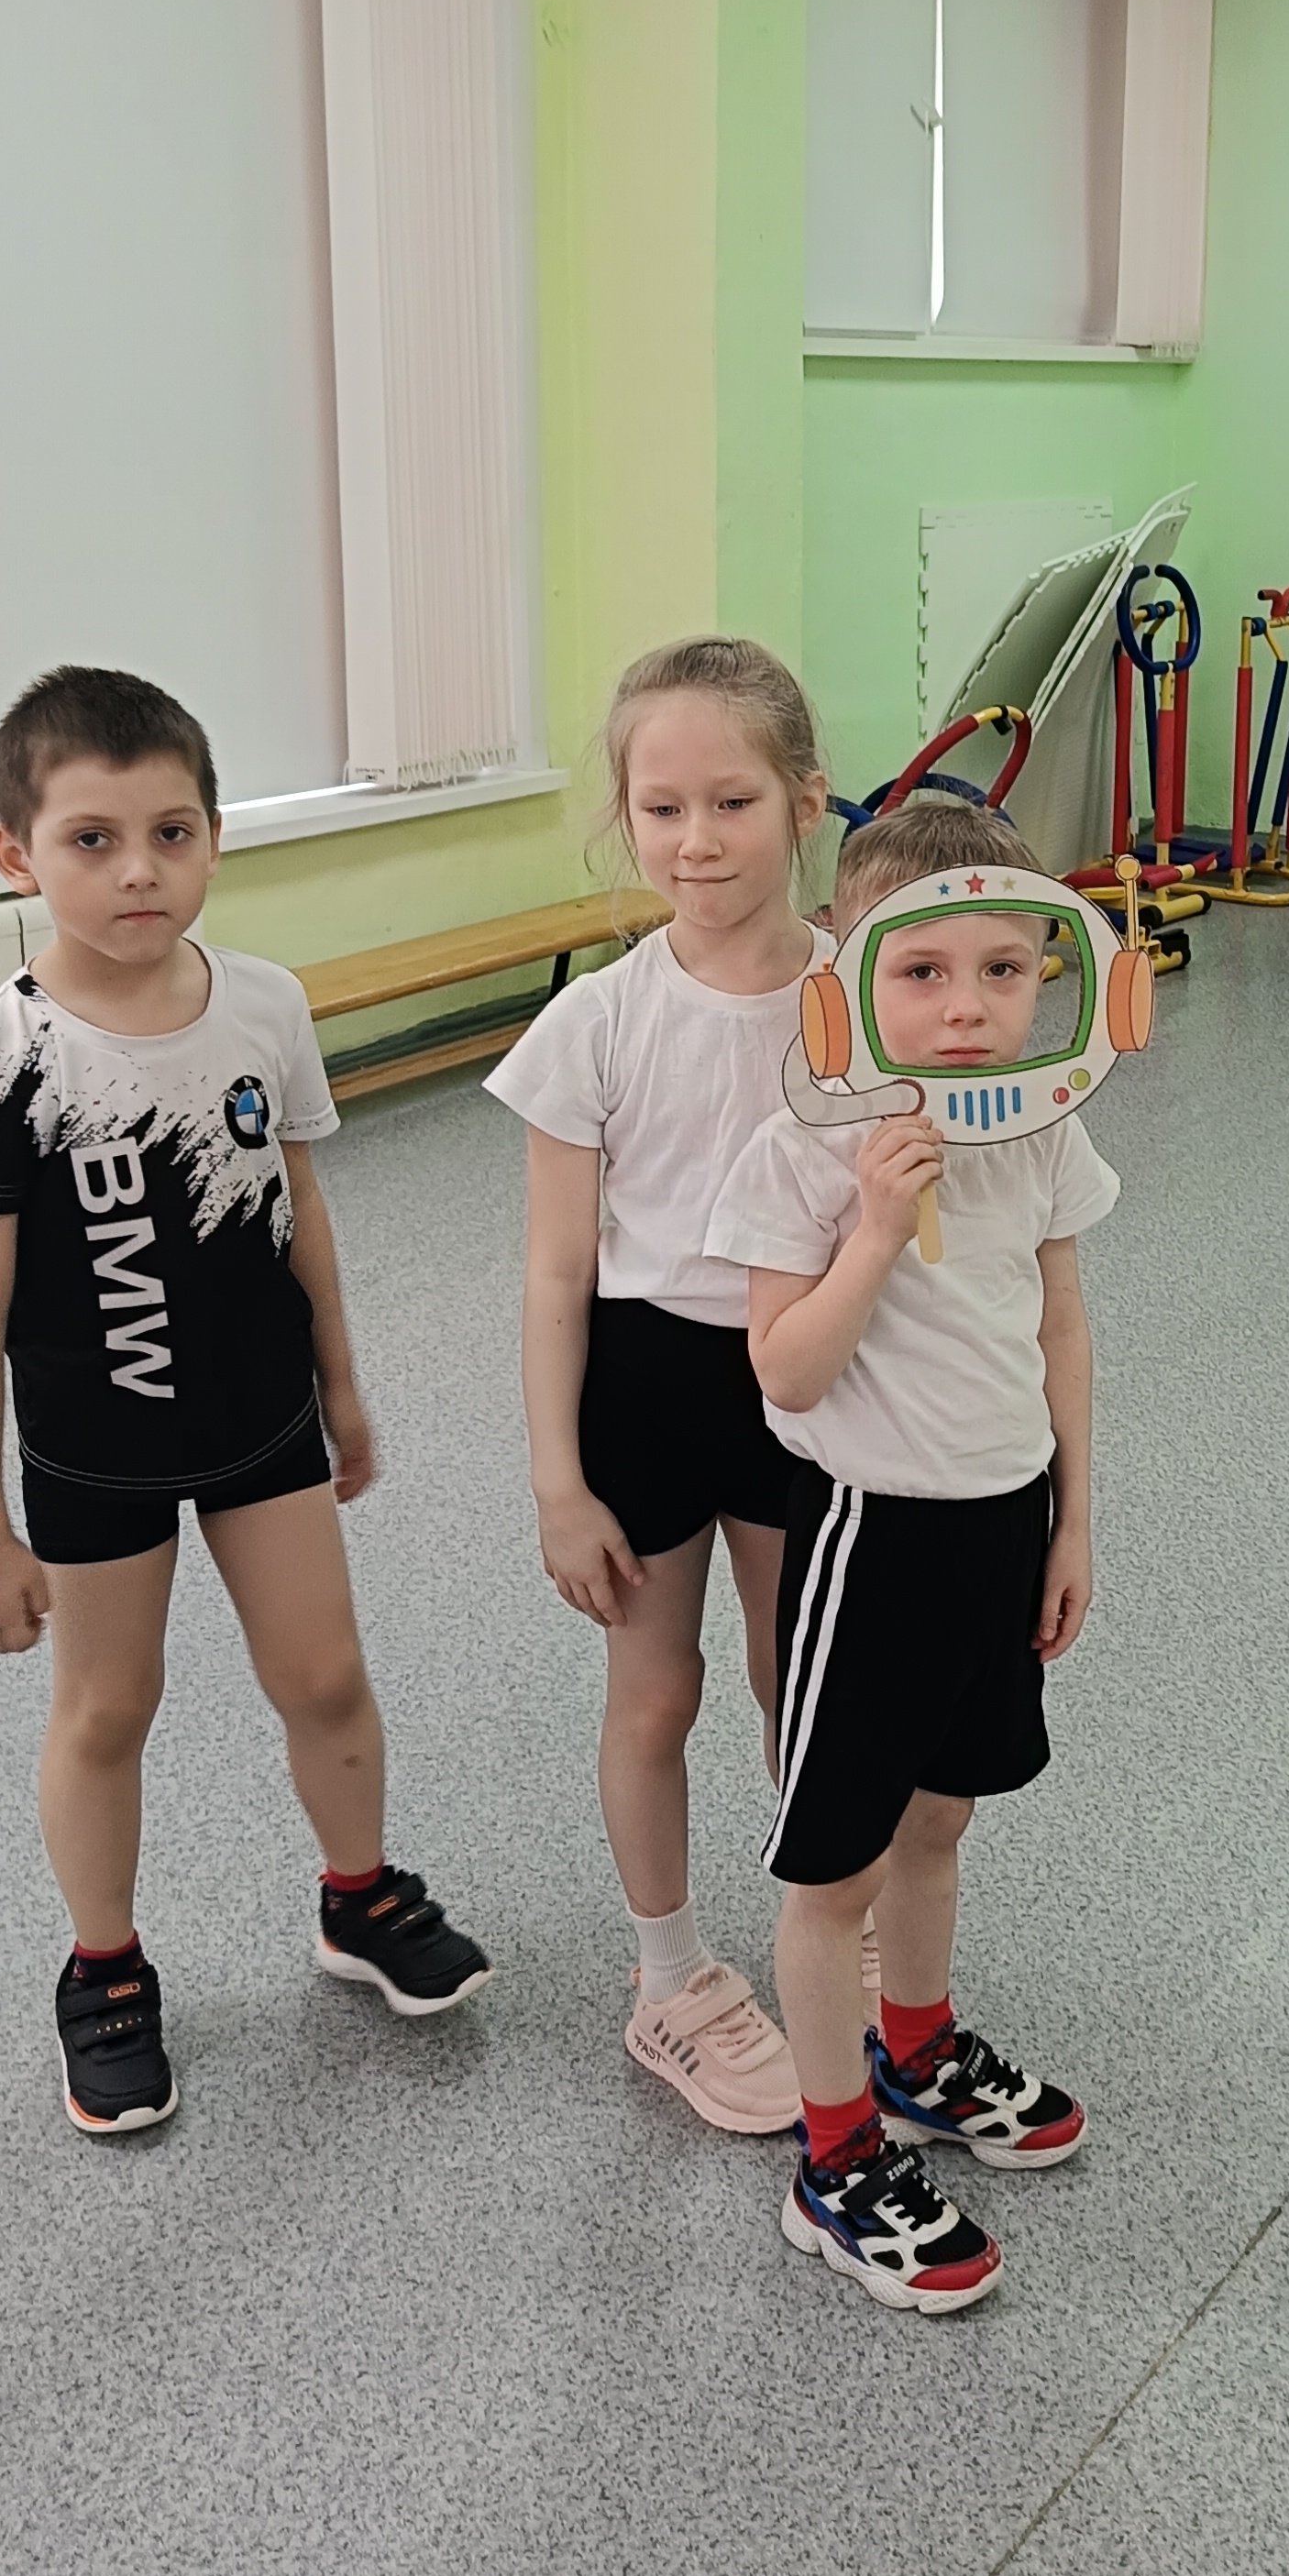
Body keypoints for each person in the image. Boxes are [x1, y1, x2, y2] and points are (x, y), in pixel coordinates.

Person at [0, 667, 490, 2140]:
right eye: (92, 840)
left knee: (325, 1676)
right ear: (16, 857)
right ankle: (104, 1968)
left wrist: (342, 1383)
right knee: (110, 1707)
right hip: (93, 1449)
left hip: (261, 1422)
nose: (139, 871)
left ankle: (358, 1896)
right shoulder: (0, 1062)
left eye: (171, 833)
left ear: (216, 838)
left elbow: (298, 1204)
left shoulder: (264, 1006)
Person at [704, 793, 1111, 2317]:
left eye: (1003, 970)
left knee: (945, 1817)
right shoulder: (800, 1151)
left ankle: (918, 2049)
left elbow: (1059, 1322)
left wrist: (1072, 1518)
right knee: (839, 1867)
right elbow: (786, 1375)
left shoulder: (1044, 1128)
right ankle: (831, 2157)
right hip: (874, 1536)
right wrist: (874, 1227)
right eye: (923, 971)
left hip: (1004, 1520)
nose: (966, 1006)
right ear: (851, 973)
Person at [486, 637, 832, 2137]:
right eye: (662, 807)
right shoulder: (594, 1024)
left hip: (810, 1369)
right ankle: (672, 1977)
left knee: (798, 1678)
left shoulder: (863, 999)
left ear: (805, 802)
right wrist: (559, 1486)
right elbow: (556, 1276)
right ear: (624, 814)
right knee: (656, 1690)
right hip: (648, 1377)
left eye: (732, 803)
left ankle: (832, 1925)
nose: (696, 841)